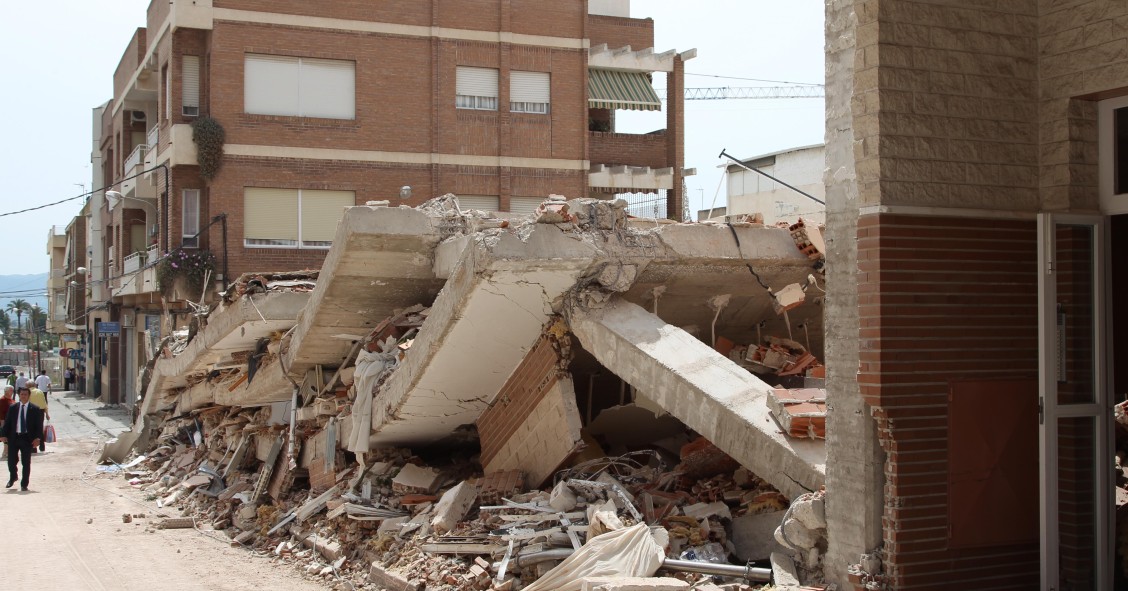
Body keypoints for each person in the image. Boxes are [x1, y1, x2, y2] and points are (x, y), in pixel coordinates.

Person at [1, 387, 44, 491]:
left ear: (28, 396)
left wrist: (38, 438)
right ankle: (13, 477)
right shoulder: (13, 407)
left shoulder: (35, 409)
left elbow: (39, 425)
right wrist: (2, 434)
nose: (23, 396)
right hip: (14, 437)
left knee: (26, 462)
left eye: (25, 394)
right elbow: (7, 423)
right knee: (11, 461)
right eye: (21, 394)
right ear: (19, 395)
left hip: (27, 438)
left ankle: (24, 484)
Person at [26, 384, 49, 453]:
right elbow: (44, 402)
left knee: (32, 429)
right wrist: (47, 413)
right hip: (41, 411)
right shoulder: (40, 391)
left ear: (28, 386)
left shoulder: (28, 392)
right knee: (40, 428)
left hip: (31, 411)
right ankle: (42, 446)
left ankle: (33, 448)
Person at [0, 386, 12, 459]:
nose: (12, 392)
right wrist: (2, 424)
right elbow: (1, 413)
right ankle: (5, 453)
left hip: (11, 422)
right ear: (6, 391)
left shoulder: (10, 399)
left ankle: (6, 452)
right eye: (11, 390)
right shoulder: (2, 400)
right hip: (5, 422)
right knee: (5, 438)